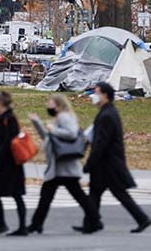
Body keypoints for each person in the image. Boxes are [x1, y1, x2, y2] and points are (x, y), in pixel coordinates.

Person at [75, 82, 151, 234]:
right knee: (95, 194)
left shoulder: (107, 115)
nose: (93, 96)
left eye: (96, 93)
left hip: (108, 165)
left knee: (118, 194)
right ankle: (92, 223)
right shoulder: (107, 112)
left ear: (105, 95)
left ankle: (142, 219)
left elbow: (101, 143)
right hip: (106, 164)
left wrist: (90, 163)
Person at [28, 95, 101, 234]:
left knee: (59, 196)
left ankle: (36, 224)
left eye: (50, 103)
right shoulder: (59, 118)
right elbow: (48, 138)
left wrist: (53, 129)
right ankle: (95, 219)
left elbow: (72, 133)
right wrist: (37, 122)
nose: (48, 105)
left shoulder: (64, 117)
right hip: (60, 167)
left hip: (64, 167)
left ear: (58, 105)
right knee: (51, 196)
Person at [0, 91, 27, 236]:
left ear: (1, 104)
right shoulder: (2, 117)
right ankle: (18, 226)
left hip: (9, 163)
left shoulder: (8, 119)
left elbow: (6, 142)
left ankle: (5, 224)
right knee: (15, 194)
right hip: (11, 163)